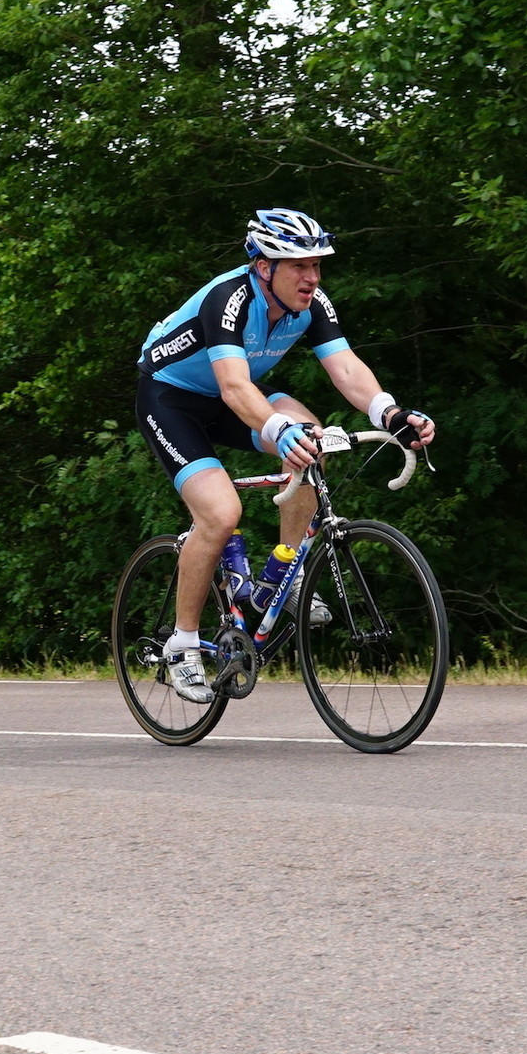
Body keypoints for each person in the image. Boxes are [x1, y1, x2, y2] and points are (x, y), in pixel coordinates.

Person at [135, 208, 436, 703]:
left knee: (314, 442)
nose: (312, 277)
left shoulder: (312, 304)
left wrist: (391, 414)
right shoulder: (228, 299)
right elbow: (234, 386)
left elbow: (346, 369)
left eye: (316, 265)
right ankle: (182, 645)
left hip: (233, 398)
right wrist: (280, 430)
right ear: (264, 267)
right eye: (299, 266)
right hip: (172, 400)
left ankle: (284, 576)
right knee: (221, 514)